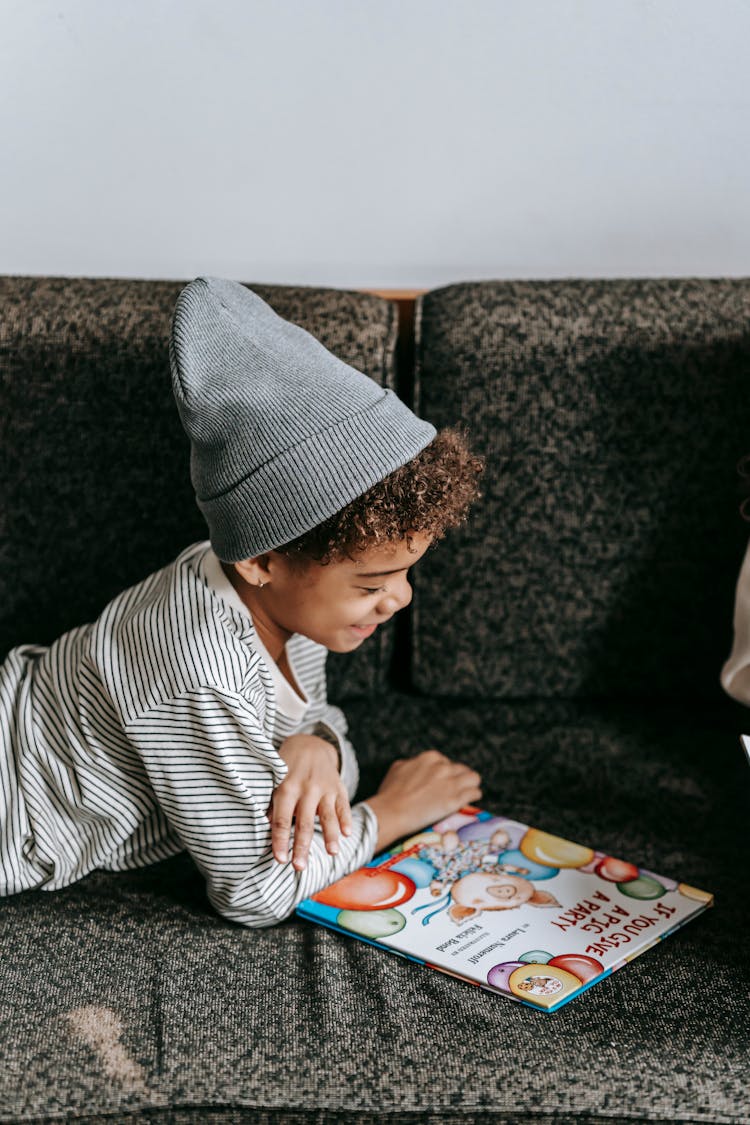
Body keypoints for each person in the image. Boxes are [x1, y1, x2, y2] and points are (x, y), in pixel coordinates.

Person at [0, 276, 484, 927]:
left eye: (403, 574)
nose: (399, 598)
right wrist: (391, 811)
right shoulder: (201, 670)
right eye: (372, 584)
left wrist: (317, 745)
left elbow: (315, 722)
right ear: (263, 560)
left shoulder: (279, 601)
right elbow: (254, 890)